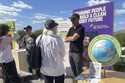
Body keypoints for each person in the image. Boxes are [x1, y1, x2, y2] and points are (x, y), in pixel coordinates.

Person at [65, 13, 85, 78]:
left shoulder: (81, 28)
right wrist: (72, 38)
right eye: (71, 19)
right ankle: (76, 80)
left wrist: (71, 38)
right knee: (73, 69)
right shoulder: (71, 29)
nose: (72, 20)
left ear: (78, 19)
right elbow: (65, 39)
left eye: (73, 19)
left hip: (77, 52)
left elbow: (74, 38)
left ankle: (80, 81)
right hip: (70, 52)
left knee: (79, 70)